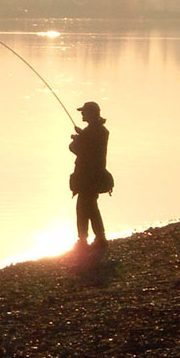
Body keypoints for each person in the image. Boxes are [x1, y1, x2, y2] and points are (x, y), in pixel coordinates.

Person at [69, 101, 111, 252]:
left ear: (91, 114)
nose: (82, 114)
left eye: (84, 112)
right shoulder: (101, 130)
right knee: (91, 206)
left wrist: (76, 140)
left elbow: (77, 149)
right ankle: (98, 237)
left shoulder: (91, 132)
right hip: (96, 174)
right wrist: (82, 135)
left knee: (84, 207)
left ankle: (85, 240)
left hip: (87, 175)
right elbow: (92, 146)